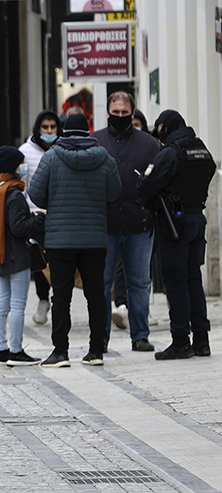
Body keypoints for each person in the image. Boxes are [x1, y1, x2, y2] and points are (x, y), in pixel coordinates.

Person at [28, 113, 121, 368]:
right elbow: (115, 192)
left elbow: (35, 194)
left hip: (60, 240)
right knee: (96, 295)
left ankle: (60, 352)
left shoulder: (52, 157)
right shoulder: (104, 158)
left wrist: (54, 201)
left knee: (61, 296)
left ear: (64, 131)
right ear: (88, 131)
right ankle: (96, 351)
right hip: (94, 239)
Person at [137, 110, 216, 360]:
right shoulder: (201, 149)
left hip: (175, 223)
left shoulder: (171, 152)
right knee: (194, 279)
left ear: (163, 127)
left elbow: (144, 187)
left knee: (175, 280)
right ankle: (202, 341)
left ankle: (181, 341)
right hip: (196, 219)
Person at [92, 92, 160, 353]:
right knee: (102, 283)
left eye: (125, 112)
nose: (120, 116)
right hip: (104, 225)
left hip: (139, 224)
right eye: (115, 112)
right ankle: (101, 338)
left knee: (140, 282)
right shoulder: (94, 141)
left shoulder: (150, 144)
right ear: (108, 111)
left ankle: (140, 335)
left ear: (133, 113)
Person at [0, 146, 45, 367]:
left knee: (3, 304)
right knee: (18, 305)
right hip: (17, 254)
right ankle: (16, 351)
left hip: (0, 252)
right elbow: (19, 227)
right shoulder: (14, 193)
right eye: (21, 163)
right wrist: (37, 219)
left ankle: (1, 350)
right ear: (14, 166)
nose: (23, 166)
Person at [19, 110, 62, 324]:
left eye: (53, 127)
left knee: (59, 261)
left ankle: (59, 301)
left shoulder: (63, 149)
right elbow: (21, 187)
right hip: (37, 217)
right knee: (40, 261)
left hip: (61, 217)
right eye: (45, 128)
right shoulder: (25, 153)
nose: (49, 132)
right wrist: (29, 211)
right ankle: (43, 299)